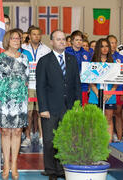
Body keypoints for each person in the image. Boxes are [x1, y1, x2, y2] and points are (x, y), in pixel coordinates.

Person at [36, 30, 81, 180]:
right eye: (59, 39)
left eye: (64, 39)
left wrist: (77, 106)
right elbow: (40, 87)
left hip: (68, 108)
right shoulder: (44, 61)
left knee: (66, 141)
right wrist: (43, 108)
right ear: (52, 42)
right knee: (49, 141)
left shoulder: (72, 60)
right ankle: (51, 171)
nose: (62, 42)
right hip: (50, 109)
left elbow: (77, 85)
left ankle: (62, 170)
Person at [0, 29, 29, 180]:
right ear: (7, 40)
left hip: (20, 100)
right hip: (4, 101)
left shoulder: (25, 58)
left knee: (18, 132)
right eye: (13, 38)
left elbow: (27, 81)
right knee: (5, 132)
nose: (16, 41)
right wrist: (0, 91)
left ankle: (14, 165)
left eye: (18, 38)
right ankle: (6, 164)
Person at [22, 26, 51, 147]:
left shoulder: (47, 49)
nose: (36, 36)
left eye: (38, 34)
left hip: (42, 86)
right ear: (29, 35)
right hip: (27, 85)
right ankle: (27, 137)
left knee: (41, 112)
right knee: (28, 113)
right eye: (34, 34)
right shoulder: (23, 48)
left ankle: (41, 137)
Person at [89, 38, 117, 142]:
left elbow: (116, 82)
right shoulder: (93, 62)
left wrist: (109, 94)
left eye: (106, 46)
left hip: (109, 95)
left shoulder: (113, 62)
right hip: (95, 95)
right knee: (94, 121)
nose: (105, 49)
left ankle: (108, 145)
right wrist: (97, 93)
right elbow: (90, 80)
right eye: (102, 46)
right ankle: (94, 144)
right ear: (98, 48)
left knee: (108, 120)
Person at [107, 35, 123, 142]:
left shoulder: (120, 57)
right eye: (111, 43)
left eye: (115, 42)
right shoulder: (104, 56)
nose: (113, 45)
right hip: (106, 89)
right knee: (108, 115)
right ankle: (110, 136)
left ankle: (119, 138)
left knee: (118, 113)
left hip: (118, 89)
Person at [65, 30, 91, 106]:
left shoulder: (86, 53)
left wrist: (89, 84)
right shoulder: (65, 52)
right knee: (70, 110)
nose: (79, 42)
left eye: (80, 40)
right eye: (76, 40)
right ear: (72, 41)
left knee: (83, 109)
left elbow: (89, 69)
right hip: (69, 86)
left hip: (83, 85)